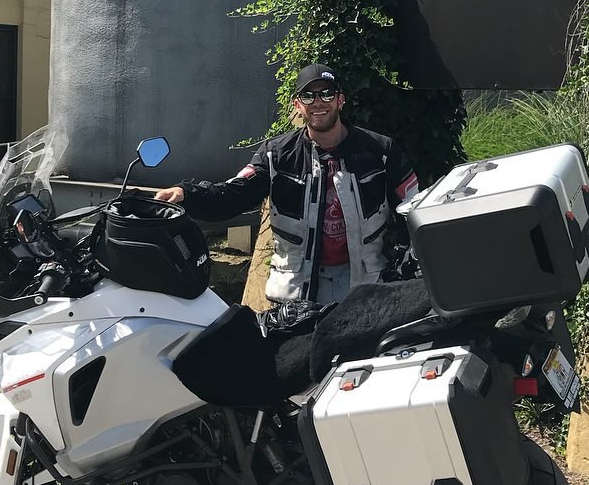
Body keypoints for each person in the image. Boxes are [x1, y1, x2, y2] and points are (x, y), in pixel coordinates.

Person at [153, 64, 419, 305]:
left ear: (341, 100)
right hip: (296, 296)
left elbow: (415, 208)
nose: (318, 102)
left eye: (326, 94)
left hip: (365, 288)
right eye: (308, 96)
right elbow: (232, 196)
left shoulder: (381, 151)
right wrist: (186, 194)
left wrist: (407, 265)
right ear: (297, 104)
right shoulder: (276, 155)